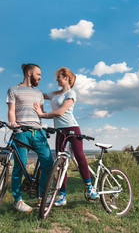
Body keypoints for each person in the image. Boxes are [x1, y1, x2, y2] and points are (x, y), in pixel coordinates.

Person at [33, 67, 99, 207]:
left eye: (59, 77)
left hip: (72, 129)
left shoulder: (71, 93)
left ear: (67, 78)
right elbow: (40, 94)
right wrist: (29, 85)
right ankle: (62, 195)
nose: (56, 79)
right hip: (60, 131)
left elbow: (61, 112)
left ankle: (89, 187)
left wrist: (42, 115)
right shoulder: (55, 94)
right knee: (61, 163)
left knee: (79, 156)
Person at [6, 63, 54, 212]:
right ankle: (18, 200)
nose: (40, 77)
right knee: (19, 166)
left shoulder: (39, 93)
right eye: (38, 74)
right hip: (21, 132)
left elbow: (41, 112)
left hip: (38, 132)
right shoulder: (13, 90)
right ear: (29, 73)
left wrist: (42, 112)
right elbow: (11, 111)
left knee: (48, 164)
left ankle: (42, 197)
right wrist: (12, 123)